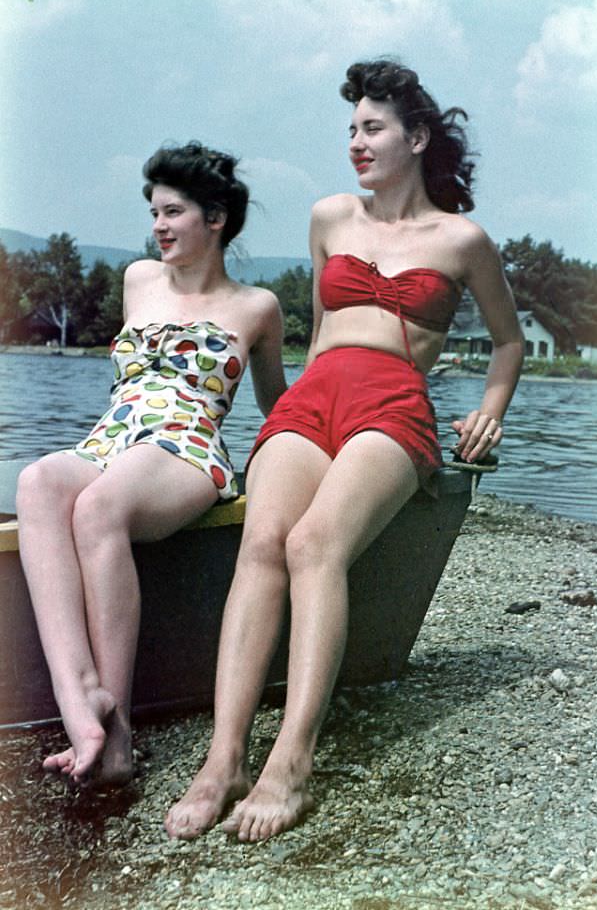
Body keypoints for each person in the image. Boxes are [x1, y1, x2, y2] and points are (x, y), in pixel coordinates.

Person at [164, 60, 525, 842]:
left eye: (372, 128)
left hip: (394, 400)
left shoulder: (462, 239)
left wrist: (490, 414)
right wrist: (287, 414)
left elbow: (508, 341)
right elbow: (324, 336)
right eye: (351, 130)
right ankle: (223, 758)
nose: (356, 143)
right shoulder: (330, 217)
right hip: (316, 394)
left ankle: (291, 760)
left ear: (416, 137)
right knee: (261, 539)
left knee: (313, 543)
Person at [16, 142, 287, 788]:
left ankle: (118, 738)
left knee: (100, 507)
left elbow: (278, 406)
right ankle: (81, 699)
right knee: (37, 483)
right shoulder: (139, 280)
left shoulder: (257, 308)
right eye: (154, 212)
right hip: (111, 438)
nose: (158, 225)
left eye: (173, 211)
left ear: (215, 218)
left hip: (187, 450)